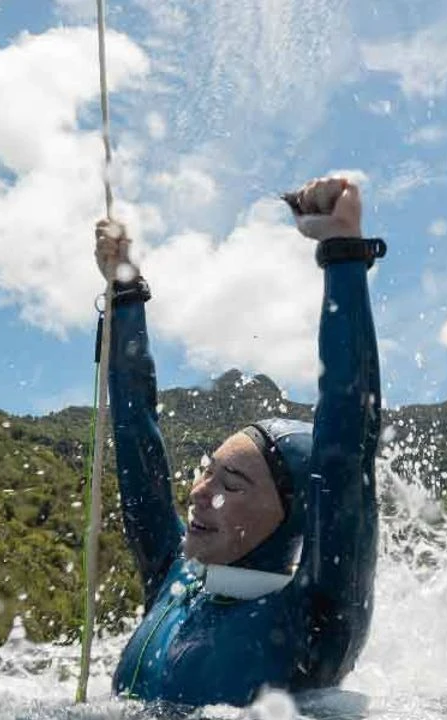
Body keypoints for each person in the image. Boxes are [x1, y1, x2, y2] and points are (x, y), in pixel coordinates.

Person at [92, 177, 384, 708]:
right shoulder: (172, 576)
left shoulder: (316, 618)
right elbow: (137, 436)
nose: (200, 492)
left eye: (232, 482)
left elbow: (348, 443)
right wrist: (125, 293)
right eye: (207, 471)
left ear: (295, 510)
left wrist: (342, 253)